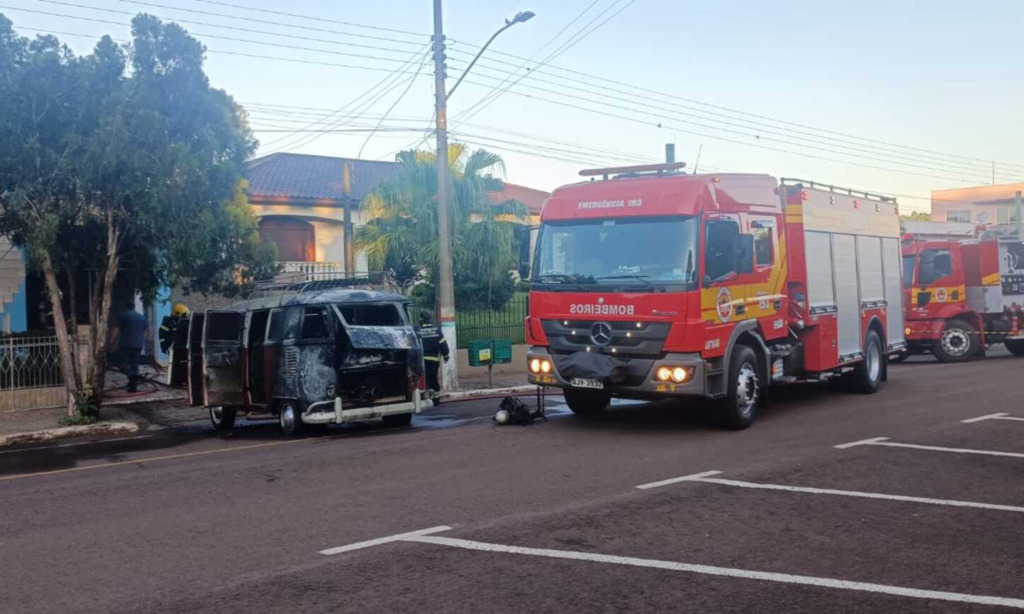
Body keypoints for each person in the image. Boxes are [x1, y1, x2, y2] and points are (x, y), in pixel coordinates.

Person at [113, 302, 148, 392]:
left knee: (121, 363)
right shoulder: (142, 317)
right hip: (138, 345)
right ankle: (133, 387)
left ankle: (132, 375)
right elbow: (145, 332)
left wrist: (111, 341)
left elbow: (117, 329)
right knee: (134, 365)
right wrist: (142, 343)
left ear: (126, 307)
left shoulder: (123, 316)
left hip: (126, 344)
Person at [418, 311, 450, 400]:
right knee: (433, 379)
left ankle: (426, 398)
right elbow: (443, 345)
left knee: (425, 380)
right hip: (434, 361)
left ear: (421, 320)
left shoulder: (418, 331)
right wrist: (446, 356)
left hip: (421, 361)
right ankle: (435, 399)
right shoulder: (437, 331)